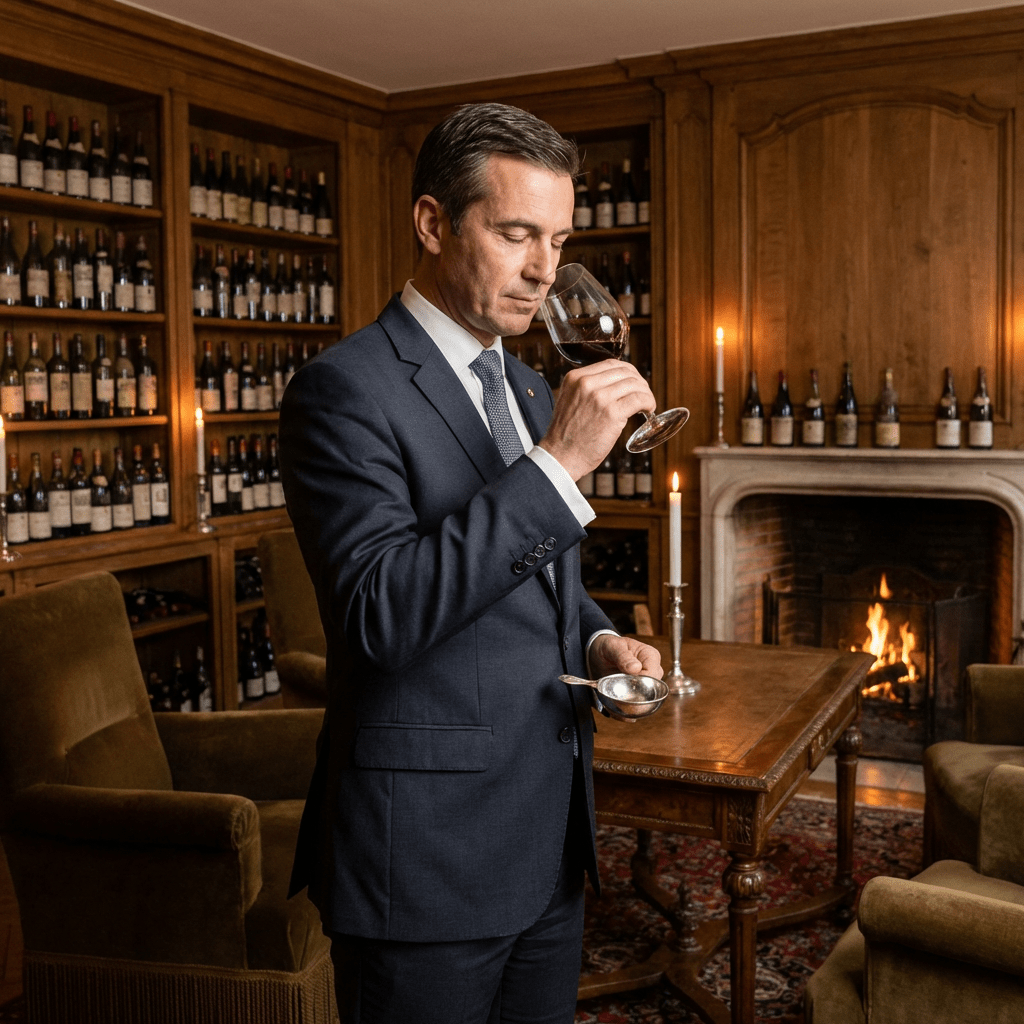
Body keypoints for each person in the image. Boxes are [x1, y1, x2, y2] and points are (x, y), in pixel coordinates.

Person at [279, 101, 663, 1024]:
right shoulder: (344, 390)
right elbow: (380, 614)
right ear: (432, 222)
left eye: (560, 239)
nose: (544, 270)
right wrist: (561, 463)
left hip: (546, 840)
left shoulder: (529, 386)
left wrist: (602, 638)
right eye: (516, 233)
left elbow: (542, 581)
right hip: (424, 860)